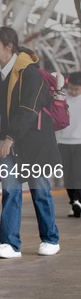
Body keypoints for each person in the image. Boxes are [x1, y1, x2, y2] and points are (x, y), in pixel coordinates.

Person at [0, 26, 60, 258]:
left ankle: (51, 239)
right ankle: (10, 244)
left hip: (34, 144)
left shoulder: (30, 72)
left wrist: (11, 137)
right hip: (6, 144)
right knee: (10, 191)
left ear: (9, 46)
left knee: (40, 191)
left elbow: (28, 110)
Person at [56, 71, 81, 218]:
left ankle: (78, 201)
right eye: (71, 88)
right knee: (68, 177)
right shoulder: (61, 96)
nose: (74, 91)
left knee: (78, 174)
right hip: (63, 142)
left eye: (77, 89)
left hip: (80, 142)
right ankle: (74, 203)